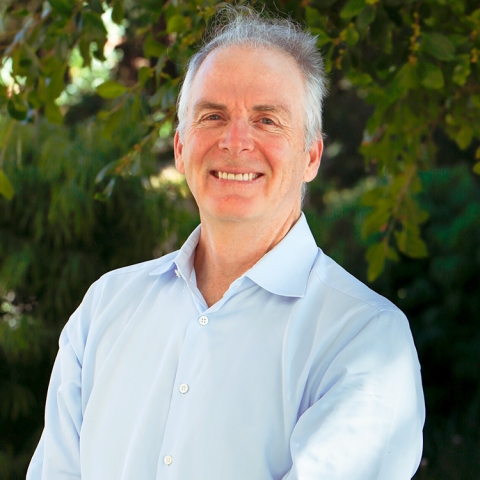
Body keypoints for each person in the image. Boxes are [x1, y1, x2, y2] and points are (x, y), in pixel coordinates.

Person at [27, 6, 425, 480]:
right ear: (180, 146)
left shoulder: (365, 339)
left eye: (267, 120)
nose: (235, 142)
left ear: (311, 155)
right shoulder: (105, 308)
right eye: (213, 115)